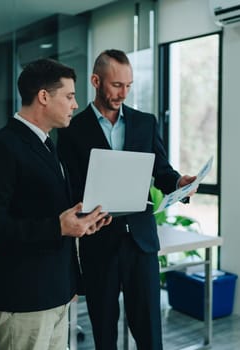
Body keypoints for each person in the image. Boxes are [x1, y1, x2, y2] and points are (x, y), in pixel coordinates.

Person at [57, 49, 197, 350]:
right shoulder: (71, 130)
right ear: (96, 81)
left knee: (149, 332)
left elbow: (161, 170)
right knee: (104, 331)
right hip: (99, 242)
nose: (123, 92)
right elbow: (68, 187)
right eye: (116, 85)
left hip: (141, 244)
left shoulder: (145, 123)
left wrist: (178, 182)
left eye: (129, 85)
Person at [0, 58, 112, 350]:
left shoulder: (49, 145)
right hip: (23, 295)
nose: (75, 105)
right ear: (44, 97)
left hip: (56, 290)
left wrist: (85, 220)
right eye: (70, 96)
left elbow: (53, 210)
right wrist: (57, 227)